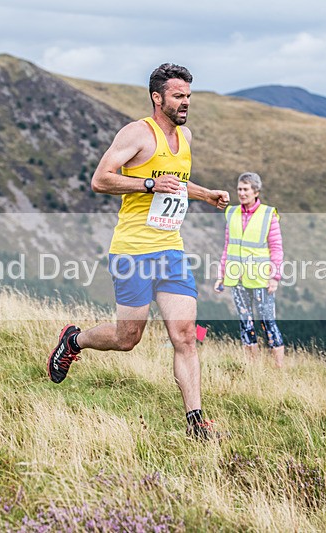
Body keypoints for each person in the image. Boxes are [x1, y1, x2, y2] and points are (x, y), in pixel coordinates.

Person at [47, 63, 231, 440]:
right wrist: (147, 184)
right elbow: (101, 180)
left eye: (189, 96)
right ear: (157, 98)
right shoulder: (137, 133)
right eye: (178, 96)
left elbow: (175, 183)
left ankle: (196, 422)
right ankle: (74, 341)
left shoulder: (186, 136)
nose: (185, 103)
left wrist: (205, 194)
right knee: (127, 338)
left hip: (171, 250)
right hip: (133, 252)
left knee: (185, 336)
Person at [214, 172, 285, 367]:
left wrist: (275, 277)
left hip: (261, 278)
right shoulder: (232, 213)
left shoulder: (268, 215)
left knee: (267, 322)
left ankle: (279, 368)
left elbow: (276, 248)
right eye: (239, 189)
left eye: (246, 189)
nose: (242, 193)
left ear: (256, 191)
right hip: (236, 277)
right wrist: (221, 275)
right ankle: (252, 367)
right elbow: (227, 246)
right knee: (245, 322)